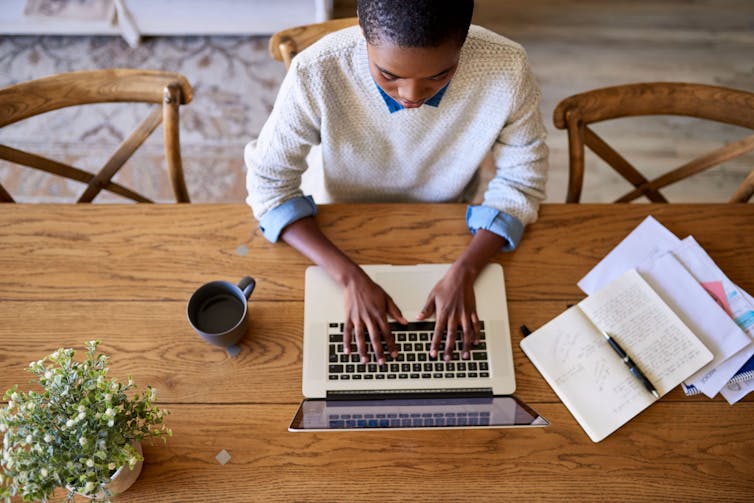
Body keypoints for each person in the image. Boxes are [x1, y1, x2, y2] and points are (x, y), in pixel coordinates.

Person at [245, 0, 548, 367]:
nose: (411, 96)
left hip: (449, 222)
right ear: (362, 31)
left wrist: (467, 270)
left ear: (464, 43)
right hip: (339, 220)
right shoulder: (315, 71)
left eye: (440, 75)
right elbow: (269, 186)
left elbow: (523, 179)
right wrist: (350, 278)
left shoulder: (507, 68)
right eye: (389, 75)